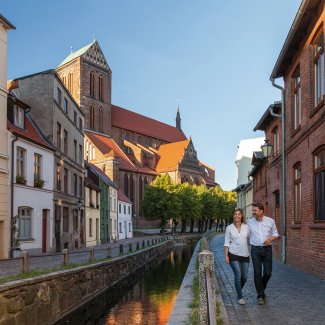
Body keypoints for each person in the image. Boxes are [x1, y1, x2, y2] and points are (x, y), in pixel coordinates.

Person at [247, 202, 279, 305]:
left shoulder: (270, 221)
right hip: (255, 250)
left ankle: (261, 287)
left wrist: (270, 238)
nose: (253, 212)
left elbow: (276, 233)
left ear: (261, 211)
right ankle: (260, 295)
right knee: (257, 273)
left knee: (268, 273)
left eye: (255, 210)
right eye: (253, 210)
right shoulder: (249, 222)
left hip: (267, 249)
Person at [224, 208, 250, 305]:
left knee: (245, 277)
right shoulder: (229, 228)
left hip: (245, 254)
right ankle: (240, 296)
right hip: (233, 254)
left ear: (242, 216)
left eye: (239, 214)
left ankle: (238, 288)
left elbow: (251, 239)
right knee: (238, 275)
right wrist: (226, 255)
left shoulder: (247, 227)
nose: (237, 216)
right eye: (235, 214)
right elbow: (226, 242)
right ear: (233, 216)